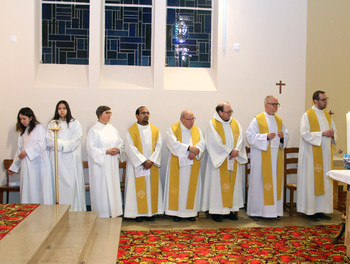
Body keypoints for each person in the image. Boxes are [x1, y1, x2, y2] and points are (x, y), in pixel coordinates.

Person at [201, 102, 247, 222]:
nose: (230, 114)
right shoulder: (212, 124)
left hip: (233, 159)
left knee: (232, 185)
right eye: (228, 112)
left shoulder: (235, 123)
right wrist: (228, 152)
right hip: (220, 160)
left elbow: (241, 138)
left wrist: (236, 150)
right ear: (220, 112)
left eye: (231, 111)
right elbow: (213, 141)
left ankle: (230, 210)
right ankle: (216, 212)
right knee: (217, 186)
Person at [246, 96, 289, 220]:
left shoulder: (280, 121)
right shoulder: (257, 120)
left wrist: (282, 137)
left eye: (277, 104)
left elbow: (286, 136)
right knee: (259, 183)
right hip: (261, 157)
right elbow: (250, 137)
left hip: (275, 158)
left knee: (274, 182)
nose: (276, 106)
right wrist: (265, 137)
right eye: (273, 104)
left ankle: (273, 212)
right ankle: (257, 212)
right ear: (266, 105)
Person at [297, 91, 336, 221]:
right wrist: (322, 134)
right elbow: (304, 134)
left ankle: (321, 210)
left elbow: (334, 132)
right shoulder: (307, 115)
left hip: (325, 156)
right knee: (312, 182)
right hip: (311, 156)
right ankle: (310, 211)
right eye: (323, 99)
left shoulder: (327, 116)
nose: (325, 102)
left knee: (324, 182)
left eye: (326, 99)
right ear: (315, 101)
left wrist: (332, 134)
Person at [164, 110, 206, 222]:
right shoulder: (173, 129)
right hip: (178, 166)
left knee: (190, 188)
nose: (191, 122)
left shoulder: (197, 130)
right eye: (188, 119)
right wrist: (188, 148)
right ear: (182, 119)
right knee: (179, 188)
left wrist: (195, 151)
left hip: (193, 164)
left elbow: (202, 143)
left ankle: (191, 213)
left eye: (193, 119)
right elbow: (172, 144)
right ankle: (176, 213)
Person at [124, 106, 163, 222]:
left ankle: (150, 213)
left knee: (150, 188)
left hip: (151, 165)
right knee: (138, 189)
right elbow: (129, 148)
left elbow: (159, 146)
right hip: (138, 166)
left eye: (148, 113)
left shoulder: (155, 130)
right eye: (143, 113)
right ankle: (138, 214)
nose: (146, 115)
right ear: (137, 115)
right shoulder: (131, 131)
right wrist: (143, 161)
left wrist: (151, 160)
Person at [46, 100, 86, 211]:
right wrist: (63, 144)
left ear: (67, 109)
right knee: (59, 186)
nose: (62, 111)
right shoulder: (53, 123)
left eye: (64, 108)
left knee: (71, 185)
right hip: (57, 159)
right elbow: (49, 141)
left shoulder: (75, 123)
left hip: (71, 160)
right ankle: (58, 210)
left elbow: (77, 140)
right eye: (59, 108)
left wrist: (61, 145)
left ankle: (74, 208)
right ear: (57, 110)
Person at [9, 107, 54, 204]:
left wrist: (27, 152)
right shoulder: (23, 132)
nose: (22, 121)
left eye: (24, 119)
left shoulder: (39, 128)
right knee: (28, 188)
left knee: (40, 188)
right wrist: (13, 167)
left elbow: (42, 144)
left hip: (40, 164)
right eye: (20, 119)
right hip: (27, 164)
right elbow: (19, 150)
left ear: (31, 118)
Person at [86, 106, 124, 218]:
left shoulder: (112, 128)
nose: (109, 115)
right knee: (101, 189)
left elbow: (120, 142)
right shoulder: (94, 130)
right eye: (107, 113)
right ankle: (102, 214)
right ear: (100, 114)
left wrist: (118, 149)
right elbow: (90, 149)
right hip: (100, 165)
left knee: (112, 187)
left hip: (111, 163)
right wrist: (106, 151)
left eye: (110, 113)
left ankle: (114, 212)